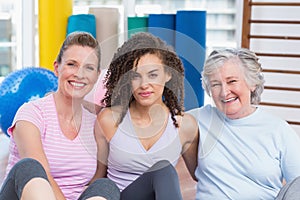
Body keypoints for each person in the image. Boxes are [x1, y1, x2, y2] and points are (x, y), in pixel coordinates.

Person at [0, 32, 120, 200]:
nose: (80, 74)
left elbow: (96, 181)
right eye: (72, 64)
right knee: (29, 167)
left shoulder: (95, 124)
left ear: (97, 75)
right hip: (25, 194)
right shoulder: (31, 114)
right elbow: (42, 174)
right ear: (57, 68)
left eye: (89, 67)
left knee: (105, 186)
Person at [93, 32, 199, 200]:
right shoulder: (109, 120)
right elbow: (99, 176)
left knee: (164, 171)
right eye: (136, 76)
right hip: (120, 197)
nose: (144, 85)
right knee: (163, 169)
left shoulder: (185, 126)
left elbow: (201, 176)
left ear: (168, 75)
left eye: (153, 75)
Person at [187, 47, 300, 199]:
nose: (224, 92)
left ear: (252, 83)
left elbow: (297, 187)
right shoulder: (197, 119)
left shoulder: (279, 130)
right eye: (215, 84)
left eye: (232, 81)